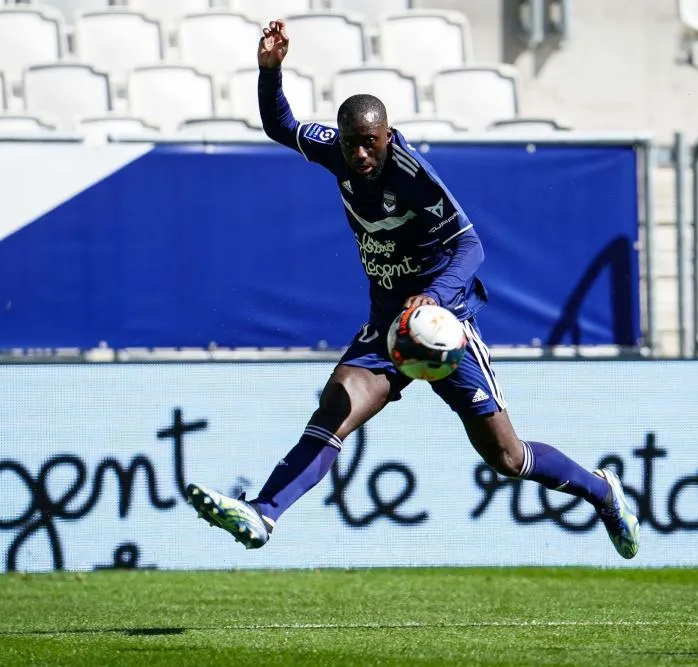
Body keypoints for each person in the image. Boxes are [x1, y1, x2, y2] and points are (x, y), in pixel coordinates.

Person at [183, 19, 640, 560]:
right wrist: (271, 71)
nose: (359, 156)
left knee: (507, 457)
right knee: (336, 405)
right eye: (352, 144)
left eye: (370, 144)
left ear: (388, 135)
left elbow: (471, 248)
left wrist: (435, 296)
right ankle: (264, 513)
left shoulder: (413, 176)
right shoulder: (335, 151)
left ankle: (603, 492)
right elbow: (280, 125)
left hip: (442, 328)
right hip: (385, 328)